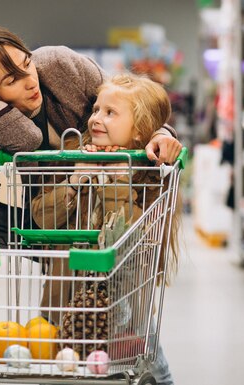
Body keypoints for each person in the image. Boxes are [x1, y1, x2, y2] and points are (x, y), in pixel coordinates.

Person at [0, 24, 182, 246]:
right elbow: (26, 141)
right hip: (59, 218)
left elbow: (132, 103)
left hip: (115, 207)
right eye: (12, 81)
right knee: (66, 285)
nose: (30, 81)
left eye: (27, 63)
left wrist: (161, 134)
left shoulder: (61, 66)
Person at [31, 74, 180, 385]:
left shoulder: (149, 174)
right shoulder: (73, 152)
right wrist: (74, 180)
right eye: (96, 110)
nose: (96, 119)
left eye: (111, 113)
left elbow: (137, 239)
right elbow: (42, 218)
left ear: (140, 130)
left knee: (147, 373)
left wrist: (118, 183)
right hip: (65, 304)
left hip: (125, 316)